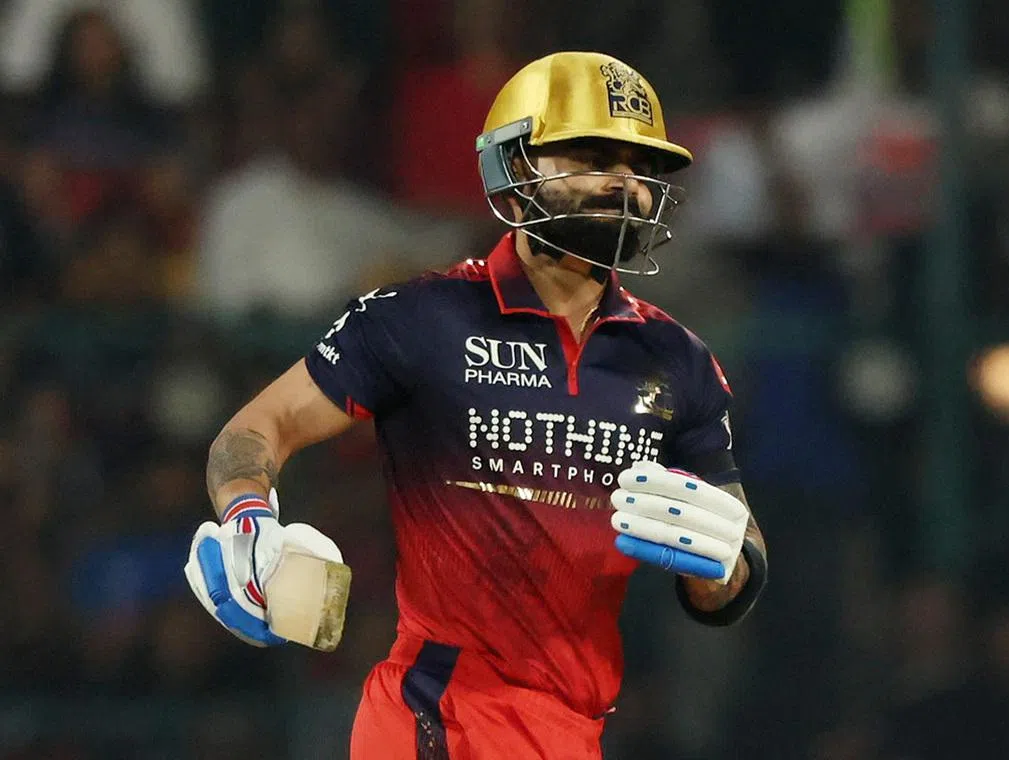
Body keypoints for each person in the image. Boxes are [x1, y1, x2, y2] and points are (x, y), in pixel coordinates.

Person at [184, 51, 768, 759]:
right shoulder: (421, 318)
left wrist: (723, 563)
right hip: (435, 721)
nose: (624, 184)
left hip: (572, 735)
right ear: (515, 167)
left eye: (639, 166)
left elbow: (738, 560)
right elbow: (255, 429)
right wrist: (248, 517)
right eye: (593, 157)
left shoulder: (679, 361)